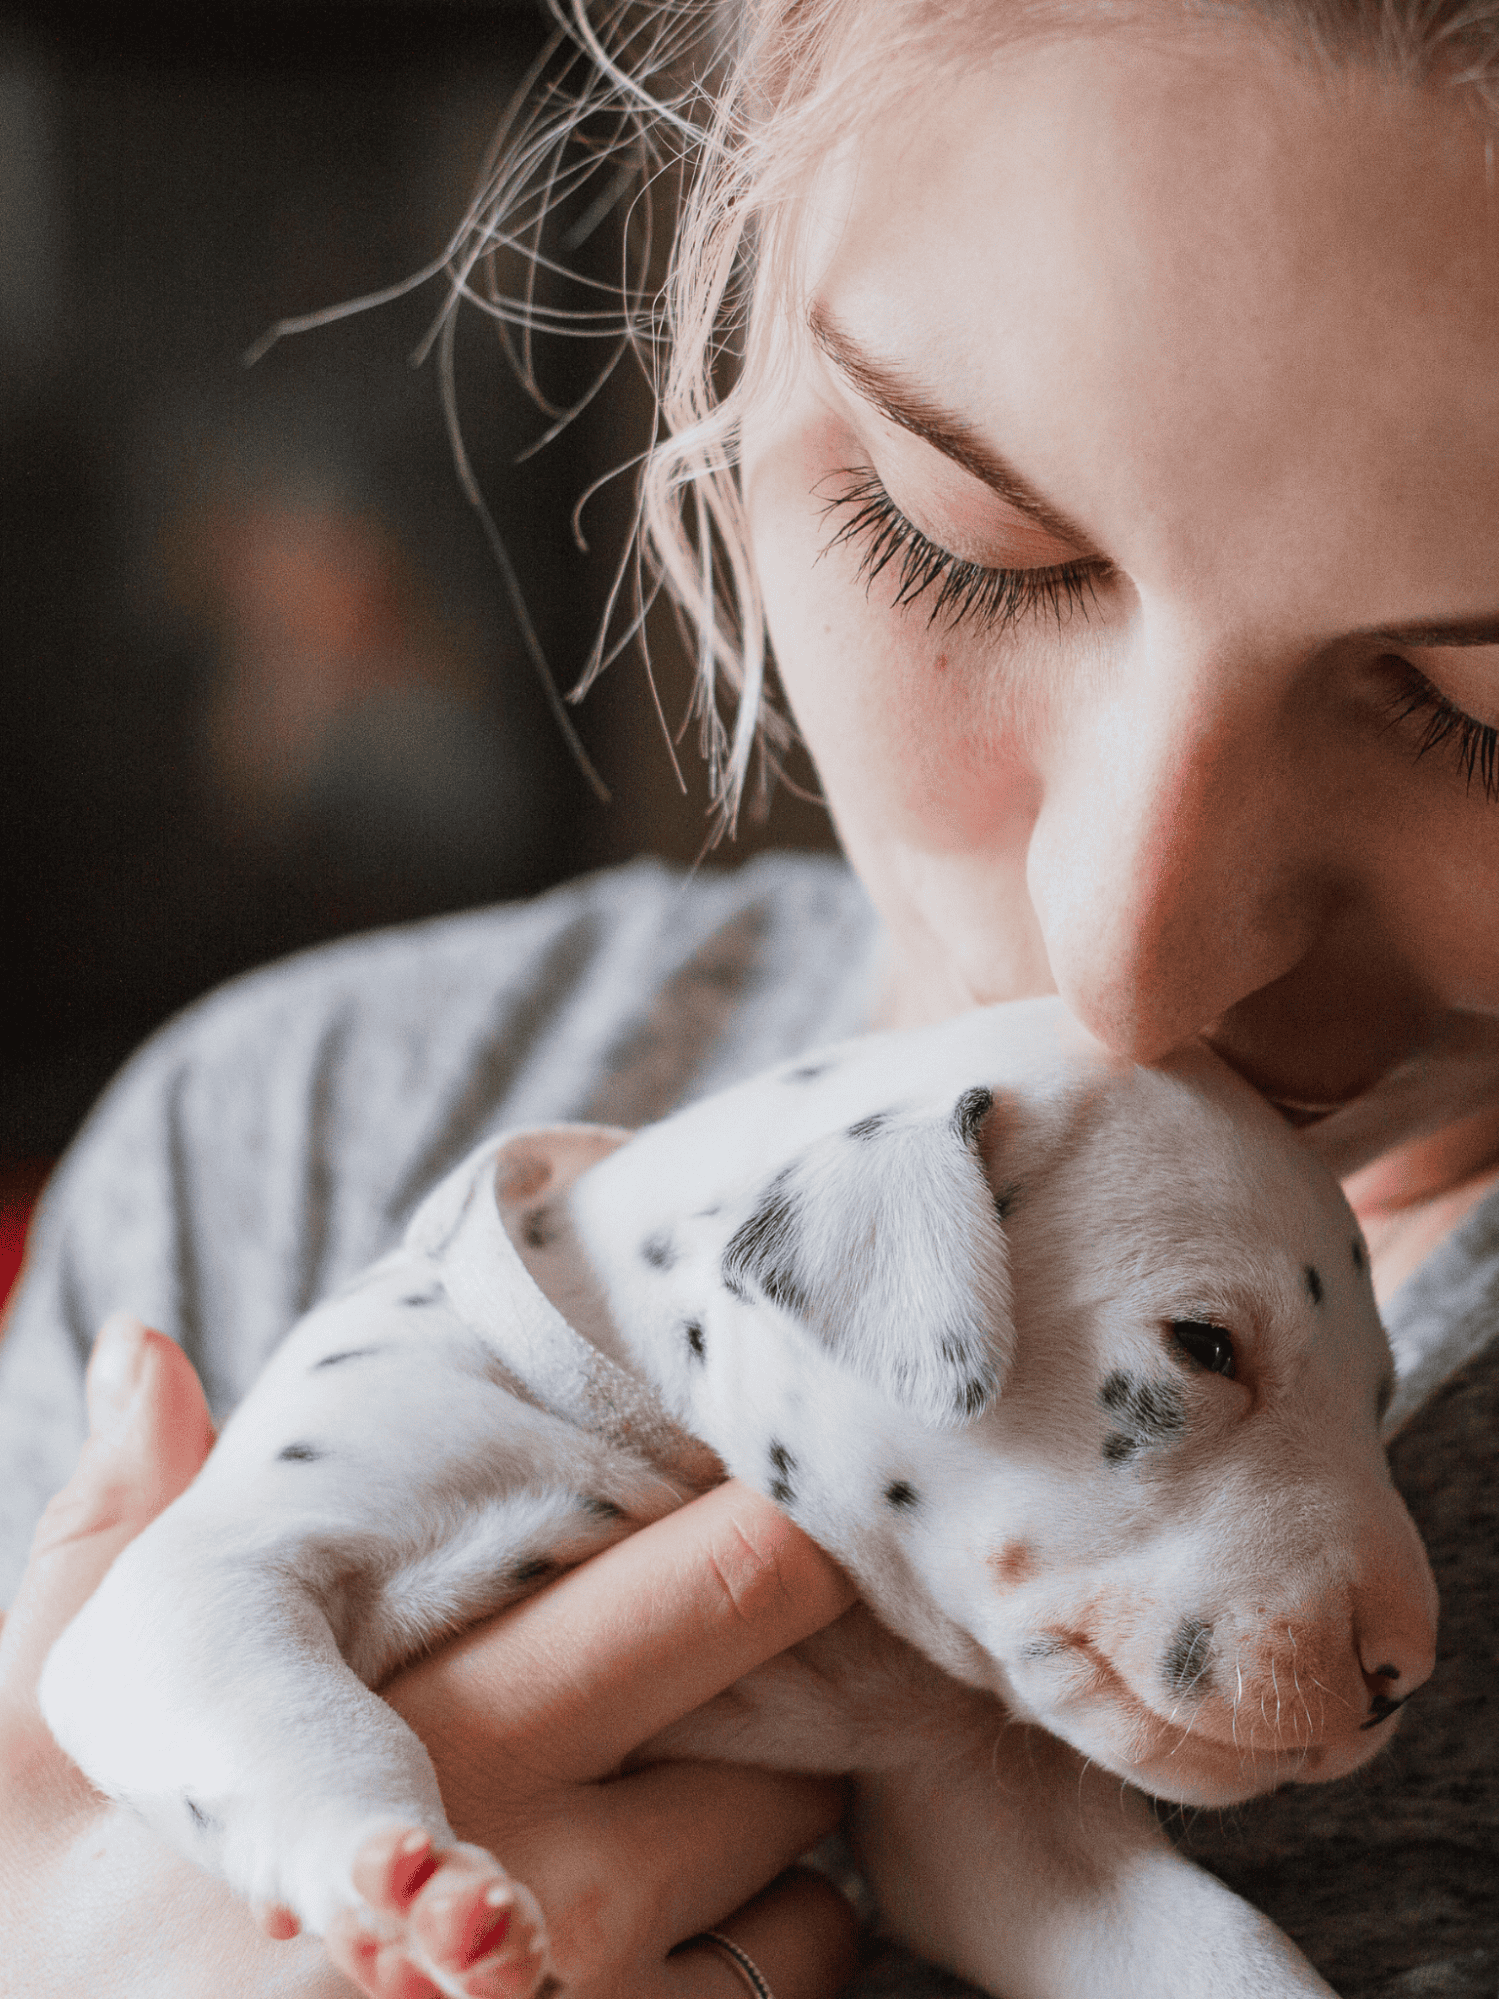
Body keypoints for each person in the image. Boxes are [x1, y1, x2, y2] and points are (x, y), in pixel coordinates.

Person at [0, 1, 1494, 1993]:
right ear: (733, 299)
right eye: (959, 538)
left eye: (1481, 715)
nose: (1118, 965)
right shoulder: (280, 1145)